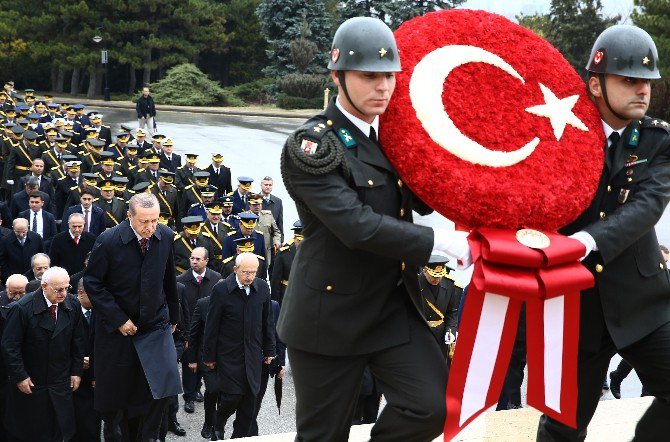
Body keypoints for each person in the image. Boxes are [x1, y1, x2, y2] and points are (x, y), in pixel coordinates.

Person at [277, 17, 470, 441]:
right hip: (329, 315)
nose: (382, 87)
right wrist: (442, 243)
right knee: (324, 436)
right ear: (337, 76)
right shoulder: (312, 146)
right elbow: (357, 227)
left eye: (389, 76)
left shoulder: (397, 135)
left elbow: (427, 192)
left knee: (433, 408)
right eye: (369, 76)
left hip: (390, 307)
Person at [537, 25, 670, 441]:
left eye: (646, 81)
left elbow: (645, 208)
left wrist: (586, 241)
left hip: (643, 303)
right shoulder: (558, 133)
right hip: (575, 309)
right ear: (595, 84)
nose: (642, 90)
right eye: (629, 80)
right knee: (562, 428)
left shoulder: (656, 140)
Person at [83, 193, 182, 442]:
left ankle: (150, 437)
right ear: (129, 216)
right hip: (120, 327)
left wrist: (173, 317)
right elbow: (93, 283)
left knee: (165, 383)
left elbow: (169, 279)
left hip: (156, 323)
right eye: (143, 222)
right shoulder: (108, 241)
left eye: (154, 221)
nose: (149, 227)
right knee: (121, 393)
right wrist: (118, 319)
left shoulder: (165, 236)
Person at [2, 266, 85, 442]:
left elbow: (78, 341)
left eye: (67, 288)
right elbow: (10, 346)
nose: (63, 293)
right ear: (44, 286)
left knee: (61, 430)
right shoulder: (22, 308)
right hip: (32, 381)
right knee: (33, 432)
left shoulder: (72, 304)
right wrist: (20, 376)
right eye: (58, 289)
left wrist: (76, 371)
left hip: (60, 380)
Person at [202, 253, 275, 439]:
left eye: (253, 272)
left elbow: (267, 322)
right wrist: (209, 357)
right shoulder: (221, 290)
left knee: (250, 404)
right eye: (245, 272)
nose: (250, 276)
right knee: (231, 397)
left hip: (253, 355)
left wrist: (270, 351)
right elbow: (211, 326)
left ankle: (239, 437)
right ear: (235, 270)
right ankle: (218, 422)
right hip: (228, 355)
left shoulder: (263, 288)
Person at [175, 247, 221, 414]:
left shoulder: (216, 279)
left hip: (209, 330)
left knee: (205, 362)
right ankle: (189, 396)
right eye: (192, 258)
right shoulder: (181, 280)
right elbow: (179, 309)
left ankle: (198, 387)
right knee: (189, 364)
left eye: (198, 259)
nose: (194, 262)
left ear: (206, 261)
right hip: (189, 330)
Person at [73, 279, 101, 442]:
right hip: (73, 379)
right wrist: (76, 360)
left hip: (95, 378)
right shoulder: (69, 311)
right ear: (81, 293)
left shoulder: (102, 311)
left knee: (93, 424)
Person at [419, 255, 460, 360]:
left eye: (440, 276)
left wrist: (450, 331)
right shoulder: (415, 284)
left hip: (440, 336)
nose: (437, 279)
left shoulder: (449, 284)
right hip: (420, 334)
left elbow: (452, 312)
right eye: (434, 276)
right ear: (425, 271)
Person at [0, 218, 44, 285]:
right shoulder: (5, 241)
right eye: (17, 232)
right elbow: (2, 261)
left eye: (24, 232)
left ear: (28, 227)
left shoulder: (36, 238)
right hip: (12, 278)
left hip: (32, 278)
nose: (21, 235)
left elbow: (42, 256)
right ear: (13, 228)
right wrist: (8, 276)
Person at [270, 220, 302, 303]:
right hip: (287, 294)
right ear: (295, 239)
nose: (302, 244)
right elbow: (276, 280)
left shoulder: (313, 253)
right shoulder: (283, 254)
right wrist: (275, 302)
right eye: (300, 240)